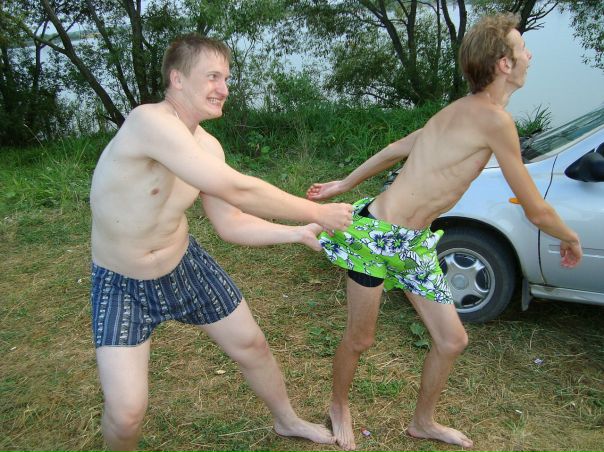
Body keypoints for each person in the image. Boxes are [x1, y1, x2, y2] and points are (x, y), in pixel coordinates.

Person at [306, 13, 582, 451]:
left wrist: (345, 183)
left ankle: (423, 422)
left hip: (416, 243)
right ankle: (338, 406)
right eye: (523, 48)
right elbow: (535, 208)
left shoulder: (466, 111)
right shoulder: (492, 119)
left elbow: (399, 147)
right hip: (376, 237)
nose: (530, 56)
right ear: (504, 64)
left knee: (452, 340)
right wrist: (569, 236)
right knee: (361, 338)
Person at [89, 34, 353, 452]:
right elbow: (238, 188)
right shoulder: (147, 122)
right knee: (126, 414)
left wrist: (295, 232)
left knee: (252, 345)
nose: (224, 88)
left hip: (182, 263)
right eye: (213, 76)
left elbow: (230, 221)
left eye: (226, 78)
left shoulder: (208, 147)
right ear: (177, 78)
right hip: (122, 281)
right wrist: (317, 212)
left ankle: (287, 420)